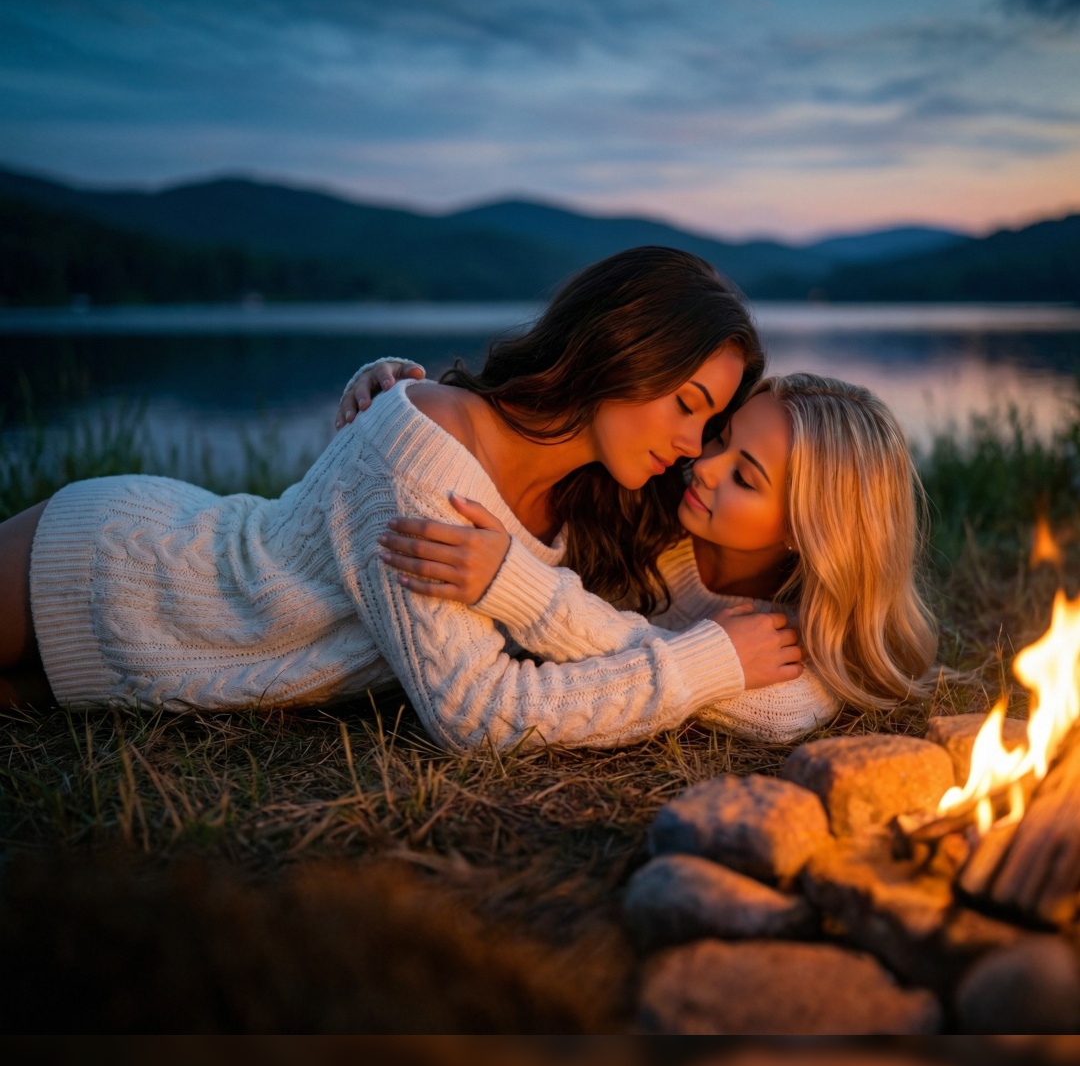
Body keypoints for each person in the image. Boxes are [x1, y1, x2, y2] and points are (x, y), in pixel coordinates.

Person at [0, 247, 805, 752]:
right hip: (118, 567)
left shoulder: (596, 493)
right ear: (624, 351)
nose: (697, 448)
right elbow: (479, 714)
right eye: (690, 406)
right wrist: (707, 665)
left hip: (169, 668)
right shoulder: (426, 456)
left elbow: (743, 633)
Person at [351, 368, 939, 740]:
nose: (702, 466)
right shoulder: (644, 505)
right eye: (720, 437)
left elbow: (787, 708)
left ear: (809, 529)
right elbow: (520, 427)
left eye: (745, 477)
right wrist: (400, 391)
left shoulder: (798, 629)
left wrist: (518, 587)